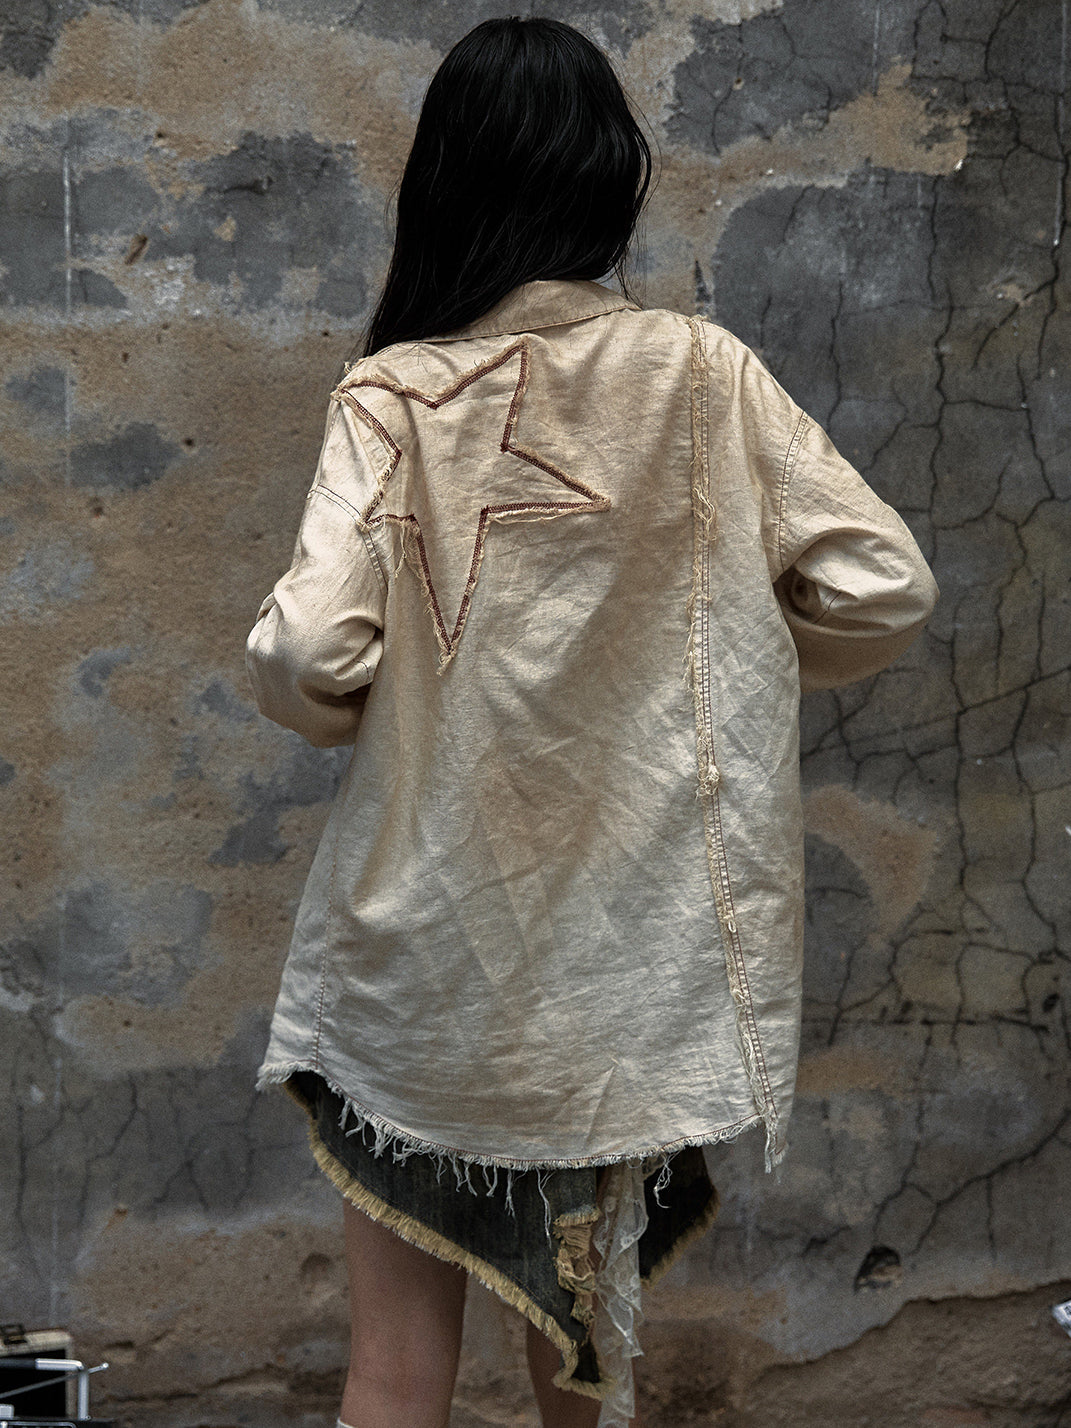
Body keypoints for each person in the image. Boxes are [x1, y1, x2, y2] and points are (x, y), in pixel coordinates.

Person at [245, 16, 939, 1428]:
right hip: (623, 971)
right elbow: (885, 585)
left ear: (444, 182)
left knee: (390, 1379)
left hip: (425, 962)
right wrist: (723, 663)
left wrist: (366, 707)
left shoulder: (393, 394)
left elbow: (313, 646)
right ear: (607, 178)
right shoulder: (702, 371)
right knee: (586, 1368)